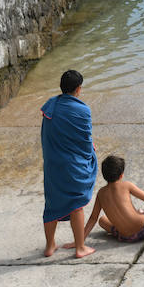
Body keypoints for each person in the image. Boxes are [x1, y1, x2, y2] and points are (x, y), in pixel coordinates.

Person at [41, 70, 98, 258]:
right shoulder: (83, 110)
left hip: (53, 164)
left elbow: (48, 135)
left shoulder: (50, 106)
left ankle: (50, 246)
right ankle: (80, 247)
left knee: (51, 204)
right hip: (73, 165)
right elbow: (85, 139)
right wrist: (90, 152)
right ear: (78, 89)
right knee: (76, 203)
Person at [81, 154, 144, 245]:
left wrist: (80, 240)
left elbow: (93, 218)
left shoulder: (100, 193)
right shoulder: (126, 185)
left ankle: (130, 223)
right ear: (121, 175)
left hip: (125, 237)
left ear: (104, 175)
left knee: (102, 220)